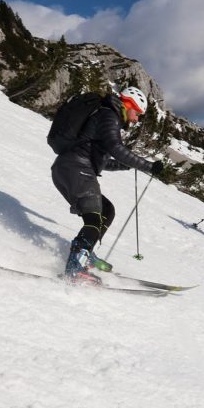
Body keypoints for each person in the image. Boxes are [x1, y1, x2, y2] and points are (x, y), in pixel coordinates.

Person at [51, 86, 164, 283]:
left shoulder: (108, 116)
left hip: (71, 169)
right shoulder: (109, 115)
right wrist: (148, 165)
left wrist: (128, 166)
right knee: (94, 218)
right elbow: (116, 148)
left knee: (106, 210)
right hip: (75, 169)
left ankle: (86, 253)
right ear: (129, 104)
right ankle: (75, 267)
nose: (136, 119)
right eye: (137, 113)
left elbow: (103, 160)